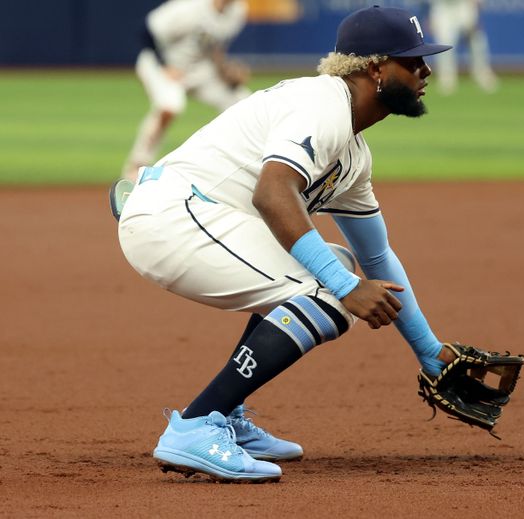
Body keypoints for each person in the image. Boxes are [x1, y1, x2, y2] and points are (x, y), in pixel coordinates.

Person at [116, 6, 455, 483]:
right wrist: (346, 287)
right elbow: (273, 194)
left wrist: (429, 352)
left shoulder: (353, 154)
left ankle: (225, 414)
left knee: (336, 264)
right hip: (173, 216)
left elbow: (378, 257)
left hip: (196, 214)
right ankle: (194, 426)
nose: (426, 71)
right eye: (412, 61)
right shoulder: (324, 104)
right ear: (375, 68)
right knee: (330, 290)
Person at [120, 0, 251, 181]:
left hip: (199, 69)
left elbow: (213, 47)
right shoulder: (190, 8)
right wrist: (165, 66)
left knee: (243, 102)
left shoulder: (237, 11)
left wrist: (226, 71)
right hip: (161, 64)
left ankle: (243, 164)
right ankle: (137, 166)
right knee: (170, 105)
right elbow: (146, 31)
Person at [428, 0, 498, 94]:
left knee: (476, 39)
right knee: (444, 44)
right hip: (442, 8)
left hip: (464, 6)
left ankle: (482, 75)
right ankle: (446, 79)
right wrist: (430, 16)